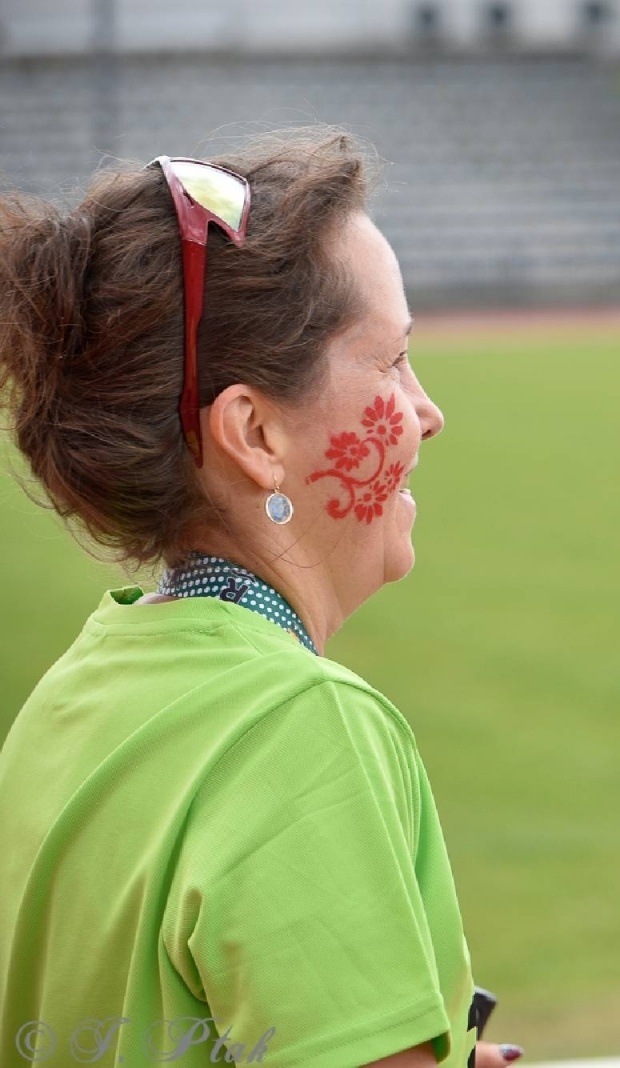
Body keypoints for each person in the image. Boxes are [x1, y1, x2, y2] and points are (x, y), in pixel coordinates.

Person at [0, 131, 519, 1066]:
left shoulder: (77, 689)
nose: (426, 411)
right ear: (254, 433)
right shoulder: (299, 727)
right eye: (391, 362)